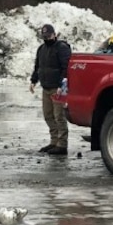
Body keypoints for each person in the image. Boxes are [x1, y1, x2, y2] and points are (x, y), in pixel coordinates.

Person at [29, 22, 71, 155]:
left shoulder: (61, 48)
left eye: (48, 36)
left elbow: (66, 68)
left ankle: (62, 144)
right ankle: (54, 141)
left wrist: (62, 85)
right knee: (48, 115)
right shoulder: (41, 49)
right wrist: (33, 80)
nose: (46, 38)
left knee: (59, 116)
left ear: (54, 34)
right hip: (46, 87)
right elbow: (38, 66)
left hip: (57, 88)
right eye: (44, 36)